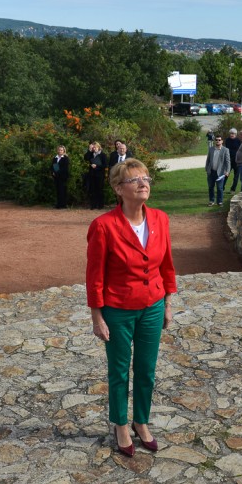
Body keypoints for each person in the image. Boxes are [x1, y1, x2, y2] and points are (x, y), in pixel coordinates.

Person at [86, 159, 177, 457]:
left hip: (153, 306)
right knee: (119, 370)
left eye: (146, 178)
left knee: (146, 369)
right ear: (118, 188)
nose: (143, 183)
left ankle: (141, 421)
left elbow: (167, 264)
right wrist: (97, 317)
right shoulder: (103, 226)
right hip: (118, 310)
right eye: (134, 180)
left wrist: (167, 303)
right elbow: (95, 276)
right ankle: (121, 424)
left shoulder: (160, 219)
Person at [205, 135, 231, 206]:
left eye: (219, 140)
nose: (217, 141)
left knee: (219, 188)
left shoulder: (225, 150)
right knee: (211, 187)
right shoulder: (211, 149)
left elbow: (228, 162)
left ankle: (219, 202)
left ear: (222, 141)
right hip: (211, 172)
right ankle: (211, 201)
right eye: (216, 140)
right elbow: (208, 160)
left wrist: (227, 171)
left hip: (220, 173)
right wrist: (207, 169)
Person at [84, 141, 107, 210]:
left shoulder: (103, 155)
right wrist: (89, 150)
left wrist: (97, 166)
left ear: (98, 147)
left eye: (95, 147)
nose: (94, 149)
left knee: (99, 189)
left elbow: (105, 165)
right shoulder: (91, 154)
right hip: (92, 174)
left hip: (100, 175)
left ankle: (100, 205)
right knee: (92, 189)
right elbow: (86, 158)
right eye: (93, 147)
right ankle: (93, 205)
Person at [52, 145, 70, 209]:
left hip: (63, 177)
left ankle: (63, 205)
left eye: (61, 150)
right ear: (57, 150)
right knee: (58, 191)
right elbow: (53, 166)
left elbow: (64, 168)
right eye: (59, 150)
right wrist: (53, 172)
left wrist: (57, 172)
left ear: (64, 151)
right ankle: (58, 204)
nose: (60, 151)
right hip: (56, 177)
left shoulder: (65, 158)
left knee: (62, 191)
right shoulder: (55, 158)